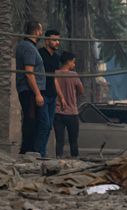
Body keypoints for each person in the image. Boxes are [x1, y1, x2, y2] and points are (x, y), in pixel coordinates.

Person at [15, 21, 45, 155]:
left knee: (31, 119)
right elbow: (29, 72)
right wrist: (37, 93)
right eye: (41, 30)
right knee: (31, 120)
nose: (42, 33)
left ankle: (28, 150)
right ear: (37, 31)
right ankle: (27, 150)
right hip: (29, 91)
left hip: (29, 90)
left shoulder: (26, 46)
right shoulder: (28, 47)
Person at [53, 51, 84, 158]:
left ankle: (58, 159)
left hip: (58, 112)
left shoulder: (55, 74)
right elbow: (81, 90)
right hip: (72, 112)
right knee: (73, 141)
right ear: (68, 62)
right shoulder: (73, 75)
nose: (74, 65)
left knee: (59, 140)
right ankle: (75, 160)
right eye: (73, 62)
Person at [36, 29, 62, 157]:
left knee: (49, 125)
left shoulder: (57, 58)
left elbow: (55, 78)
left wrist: (61, 97)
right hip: (42, 93)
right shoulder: (39, 53)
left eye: (58, 40)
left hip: (52, 95)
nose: (57, 43)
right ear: (46, 41)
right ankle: (39, 153)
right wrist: (37, 93)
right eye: (54, 40)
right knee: (44, 124)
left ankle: (42, 153)